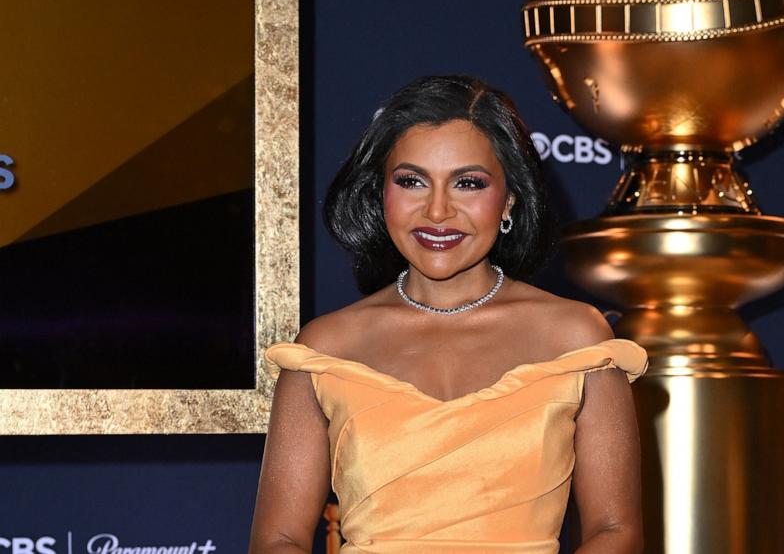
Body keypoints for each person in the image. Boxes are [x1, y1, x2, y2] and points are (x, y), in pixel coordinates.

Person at [249, 76, 647, 554]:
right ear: (381, 195)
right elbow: (278, 539)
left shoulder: (576, 337)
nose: (437, 211)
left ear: (510, 200)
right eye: (412, 181)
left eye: (468, 183)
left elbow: (615, 533)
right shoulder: (325, 349)